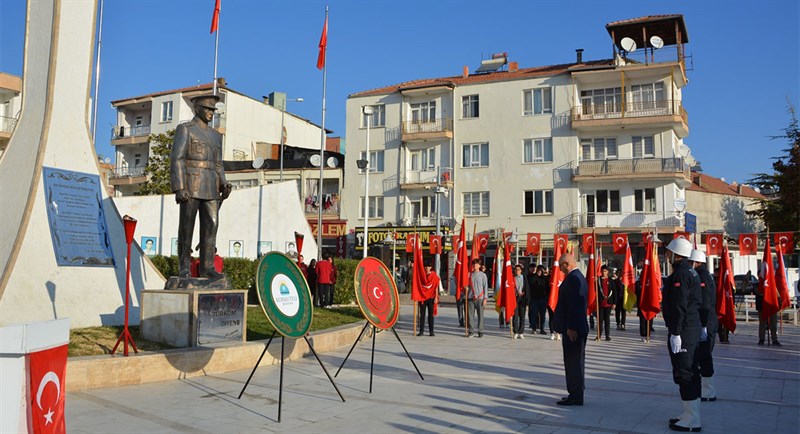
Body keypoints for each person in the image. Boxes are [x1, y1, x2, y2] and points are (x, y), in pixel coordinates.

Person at [171, 94, 231, 280]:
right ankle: (184, 268)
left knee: (211, 226)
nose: (211, 113)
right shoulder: (186, 129)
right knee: (186, 228)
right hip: (191, 184)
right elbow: (177, 159)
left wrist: (223, 181)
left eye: (213, 110)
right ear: (197, 108)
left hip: (211, 187)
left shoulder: (216, 136)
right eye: (207, 109)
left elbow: (218, 162)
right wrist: (179, 187)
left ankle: (207, 267)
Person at [663, 238, 703, 432]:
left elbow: (680, 305)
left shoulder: (681, 274)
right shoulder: (690, 272)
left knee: (684, 372)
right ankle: (689, 413)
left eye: (669, 252)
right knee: (691, 371)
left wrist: (676, 332)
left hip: (685, 330)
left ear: (675, 254)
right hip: (691, 328)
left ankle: (693, 419)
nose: (666, 255)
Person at [553, 253, 589, 406]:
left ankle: (576, 395)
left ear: (566, 264)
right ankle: (574, 392)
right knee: (573, 361)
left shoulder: (574, 279)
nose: (560, 271)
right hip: (573, 327)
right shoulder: (577, 277)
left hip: (574, 329)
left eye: (561, 267)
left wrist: (571, 327)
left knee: (574, 362)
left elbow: (576, 304)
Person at [689, 249, 718, 402]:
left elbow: (705, 303)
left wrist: (704, 325)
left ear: (697, 262)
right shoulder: (707, 275)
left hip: (705, 321)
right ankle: (707, 389)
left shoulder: (702, 277)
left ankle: (708, 391)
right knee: (704, 356)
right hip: (708, 320)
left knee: (704, 356)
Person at [755, 277, 781, 347]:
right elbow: (757, 293)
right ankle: (762, 339)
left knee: (773, 324)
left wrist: (779, 304)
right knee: (762, 324)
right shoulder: (757, 285)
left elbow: (777, 295)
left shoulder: (772, 284)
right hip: (762, 307)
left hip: (772, 306)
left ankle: (774, 339)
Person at [417, 259, 440, 337]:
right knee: (422, 315)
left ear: (431, 267)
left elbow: (436, 287)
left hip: (431, 297)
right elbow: (418, 286)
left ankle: (431, 331)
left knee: (431, 315)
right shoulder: (421, 276)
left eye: (429, 266)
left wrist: (436, 297)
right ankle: (421, 331)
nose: (427, 268)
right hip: (422, 298)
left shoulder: (434, 276)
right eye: (426, 266)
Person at [467, 259, 488, 338]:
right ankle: (471, 331)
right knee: (470, 316)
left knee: (481, 316)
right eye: (474, 264)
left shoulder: (483, 275)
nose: (475, 265)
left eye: (476, 264)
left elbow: (485, 287)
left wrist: (485, 298)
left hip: (480, 298)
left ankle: (480, 331)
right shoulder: (469, 275)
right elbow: (466, 285)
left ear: (479, 265)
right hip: (470, 297)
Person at [596, 265, 615, 341]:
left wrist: (614, 303)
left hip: (608, 303)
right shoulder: (599, 280)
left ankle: (607, 335)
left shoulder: (611, 280)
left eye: (605, 271)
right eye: (603, 271)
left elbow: (614, 292)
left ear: (608, 272)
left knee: (607, 320)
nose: (604, 273)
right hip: (600, 303)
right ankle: (599, 335)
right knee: (600, 320)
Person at [528, 264, 548, 335]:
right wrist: (536, 275)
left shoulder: (545, 278)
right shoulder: (532, 277)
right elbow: (531, 283)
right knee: (534, 314)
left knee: (543, 315)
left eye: (541, 270)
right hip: (534, 299)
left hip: (543, 299)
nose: (540, 272)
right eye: (538, 270)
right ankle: (534, 328)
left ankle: (542, 329)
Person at [512, 264, 529, 339]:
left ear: (521, 271)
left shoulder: (524, 278)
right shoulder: (512, 278)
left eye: (518, 269)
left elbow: (527, 289)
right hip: (514, 298)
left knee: (522, 316)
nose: (517, 271)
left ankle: (521, 332)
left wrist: (528, 300)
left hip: (523, 299)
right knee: (515, 316)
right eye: (516, 269)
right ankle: (515, 331)